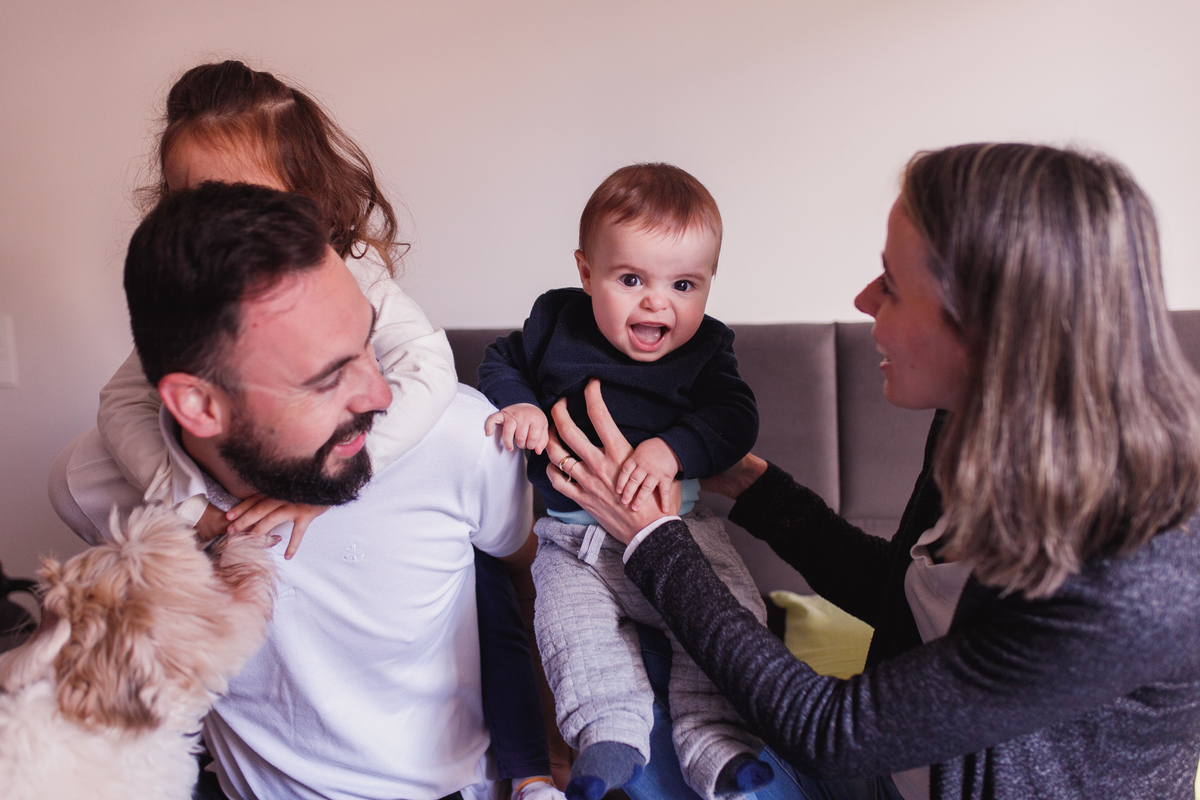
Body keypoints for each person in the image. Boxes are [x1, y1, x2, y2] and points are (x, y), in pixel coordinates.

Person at [540, 143, 1200, 800]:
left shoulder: (1137, 578)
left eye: (892, 283)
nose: (863, 299)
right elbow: (905, 597)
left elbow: (834, 734)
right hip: (884, 774)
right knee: (619, 667)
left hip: (847, 742)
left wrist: (653, 538)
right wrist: (751, 485)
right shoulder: (973, 426)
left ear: (990, 323)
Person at [57, 60, 563, 800]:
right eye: (325, 375)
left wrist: (538, 766)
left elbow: (528, 577)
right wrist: (190, 507)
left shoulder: (459, 436)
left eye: (361, 348)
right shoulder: (96, 476)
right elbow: (120, 406)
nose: (375, 391)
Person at [477, 163, 772, 800]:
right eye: (631, 279)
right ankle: (608, 733)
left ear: (709, 283)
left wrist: (673, 448)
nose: (656, 302)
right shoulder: (556, 323)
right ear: (586, 273)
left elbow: (735, 417)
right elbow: (500, 361)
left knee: (732, 618)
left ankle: (717, 739)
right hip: (572, 543)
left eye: (684, 284)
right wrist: (521, 404)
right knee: (571, 631)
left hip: (681, 532)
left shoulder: (707, 350)